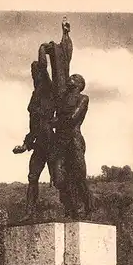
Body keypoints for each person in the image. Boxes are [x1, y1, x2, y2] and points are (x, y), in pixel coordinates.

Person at [13, 43, 55, 221]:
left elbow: (44, 67)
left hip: (51, 141)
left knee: (59, 179)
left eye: (35, 73)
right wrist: (26, 144)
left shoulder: (46, 87)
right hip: (38, 143)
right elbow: (33, 125)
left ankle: (74, 208)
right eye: (32, 73)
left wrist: (42, 49)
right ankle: (30, 212)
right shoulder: (35, 94)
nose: (33, 76)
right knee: (32, 177)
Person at [52, 73, 93, 219]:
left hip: (74, 140)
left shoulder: (83, 98)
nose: (70, 78)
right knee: (58, 178)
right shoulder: (62, 100)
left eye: (73, 77)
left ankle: (86, 206)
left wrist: (56, 121)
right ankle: (71, 207)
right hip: (60, 142)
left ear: (79, 84)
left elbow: (72, 118)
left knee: (79, 177)